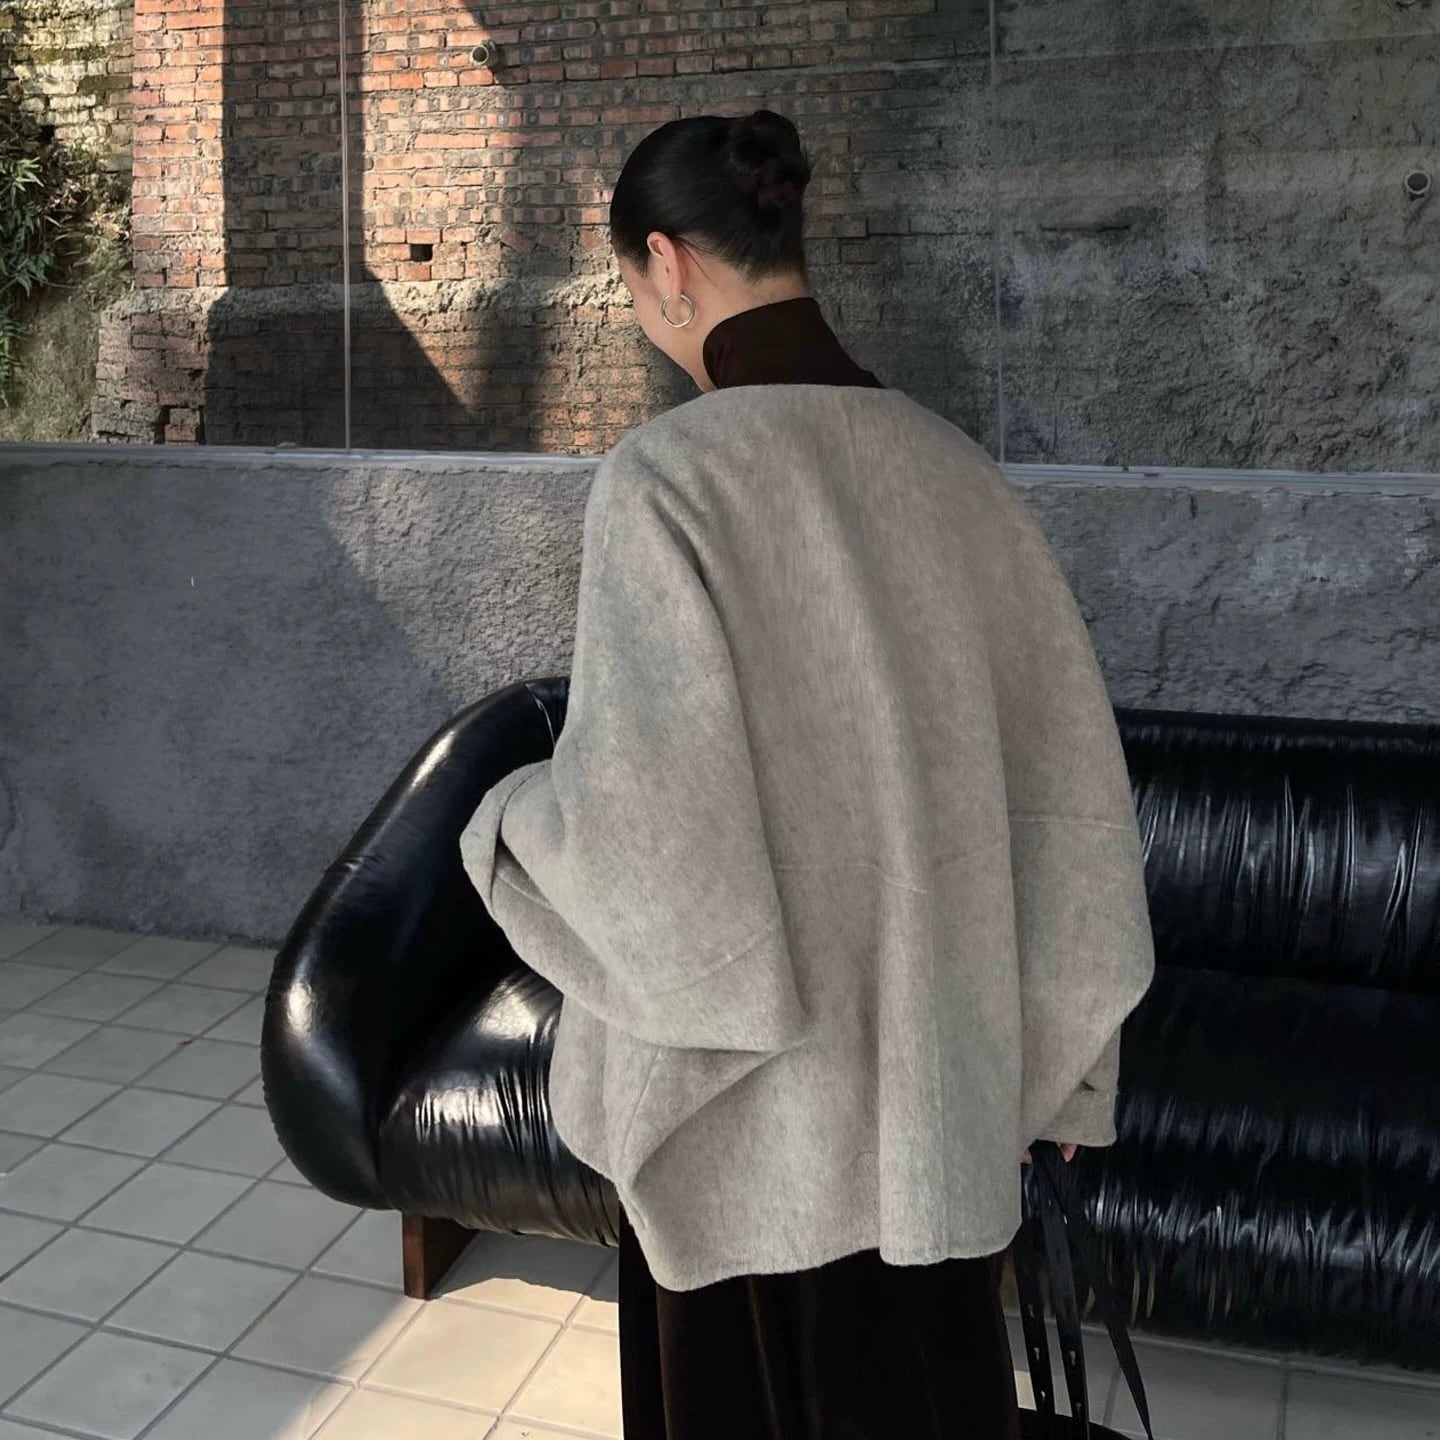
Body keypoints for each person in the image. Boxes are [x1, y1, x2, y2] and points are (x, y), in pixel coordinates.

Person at [459, 108, 1155, 1439]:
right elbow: (1068, 802)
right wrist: (1068, 1064)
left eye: (630, 288)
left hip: (754, 1136)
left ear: (668, 265)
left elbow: (645, 846)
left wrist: (502, 824)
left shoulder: (667, 483)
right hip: (938, 1107)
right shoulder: (958, 473)